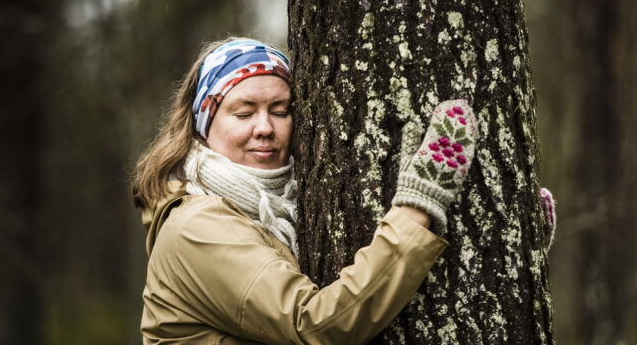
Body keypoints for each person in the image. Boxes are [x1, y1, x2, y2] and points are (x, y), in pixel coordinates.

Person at [132, 38, 480, 344]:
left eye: (280, 111)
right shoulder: (195, 227)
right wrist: (418, 204)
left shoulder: (280, 210)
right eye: (244, 113)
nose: (265, 128)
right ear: (203, 125)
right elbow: (315, 326)